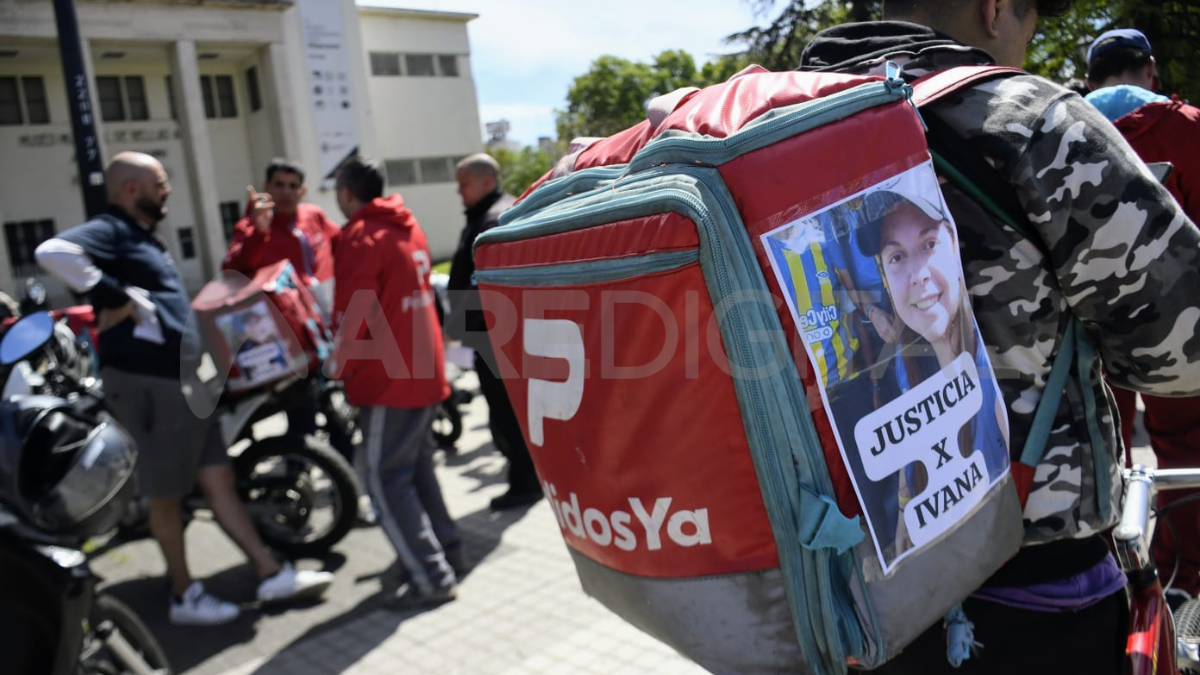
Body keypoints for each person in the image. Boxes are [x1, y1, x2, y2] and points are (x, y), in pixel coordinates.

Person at [798, 1, 1200, 673]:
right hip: (1032, 599)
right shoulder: (1025, 117)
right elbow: (1183, 351)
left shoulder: (768, 132)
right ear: (994, 9)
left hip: (833, 593)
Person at [34, 152, 333, 626]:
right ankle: (184, 595)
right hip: (152, 381)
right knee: (167, 494)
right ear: (132, 188)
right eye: (160, 182)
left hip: (183, 382)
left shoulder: (142, 237)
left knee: (219, 480)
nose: (167, 189)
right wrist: (113, 294)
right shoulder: (112, 229)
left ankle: (270, 571)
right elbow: (52, 252)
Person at [1084, 27, 1200, 602]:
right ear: (1150, 71)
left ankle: (1108, 581)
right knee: (1184, 454)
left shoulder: (1063, 128)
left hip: (1090, 331)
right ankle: (1182, 579)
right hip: (1181, 330)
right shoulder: (1190, 128)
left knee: (1102, 450)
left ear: (1089, 79)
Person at [330, 156, 462, 608]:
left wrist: (338, 366)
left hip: (389, 379)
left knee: (386, 481)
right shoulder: (407, 226)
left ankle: (431, 576)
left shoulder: (361, 237)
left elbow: (355, 314)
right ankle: (448, 549)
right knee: (417, 469)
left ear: (347, 193)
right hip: (423, 369)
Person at [448, 153, 542, 511]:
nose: (459, 192)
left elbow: (484, 287)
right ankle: (527, 478)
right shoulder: (490, 214)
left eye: (464, 184)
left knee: (508, 416)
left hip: (496, 340)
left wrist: (461, 327)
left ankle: (526, 484)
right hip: (494, 339)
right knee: (506, 415)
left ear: (486, 182)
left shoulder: (491, 219)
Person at [222, 159, 340, 443]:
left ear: (303, 190)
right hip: (284, 333)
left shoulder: (314, 216)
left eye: (293, 186)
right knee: (301, 405)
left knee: (329, 398)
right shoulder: (252, 225)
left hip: (320, 323)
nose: (286, 192)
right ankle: (301, 465)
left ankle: (329, 458)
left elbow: (343, 242)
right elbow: (231, 271)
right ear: (266, 187)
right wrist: (258, 232)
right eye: (279, 185)